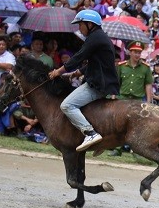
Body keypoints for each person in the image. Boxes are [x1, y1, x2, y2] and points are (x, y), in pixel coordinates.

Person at [48, 10, 120, 151]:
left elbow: (78, 57)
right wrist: (76, 73)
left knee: (67, 106)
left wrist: (58, 71)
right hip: (102, 82)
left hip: (98, 84)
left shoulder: (95, 38)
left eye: (80, 24)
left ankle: (90, 133)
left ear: (89, 24)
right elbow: (94, 62)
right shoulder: (99, 37)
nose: (79, 28)